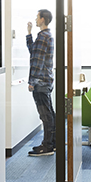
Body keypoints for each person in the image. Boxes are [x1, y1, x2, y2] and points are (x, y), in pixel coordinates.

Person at [27, 9, 55, 157]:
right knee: (49, 114)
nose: (36, 20)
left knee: (45, 115)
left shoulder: (43, 37)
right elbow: (34, 52)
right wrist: (29, 34)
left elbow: (37, 62)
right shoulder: (46, 36)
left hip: (40, 82)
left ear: (43, 19)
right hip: (46, 80)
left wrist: (32, 81)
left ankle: (47, 146)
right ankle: (53, 142)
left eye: (37, 17)